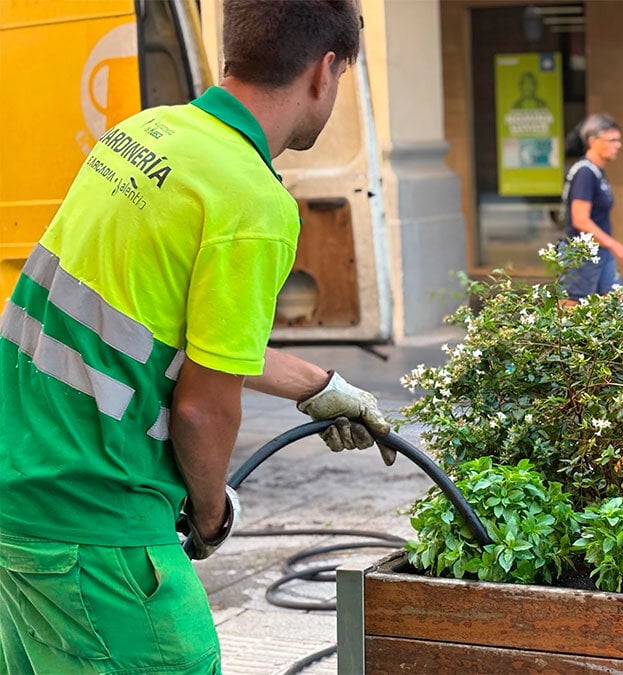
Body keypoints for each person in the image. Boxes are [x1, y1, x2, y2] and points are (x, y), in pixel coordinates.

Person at [0, 2, 393, 672]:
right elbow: (202, 409)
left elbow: (157, 333)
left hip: (21, 493)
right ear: (324, 71)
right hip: (97, 522)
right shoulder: (250, 201)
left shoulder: (143, 135)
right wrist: (210, 515)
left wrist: (316, 385)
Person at [559, 113, 623, 303]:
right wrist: (616, 246)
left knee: (618, 306)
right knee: (574, 309)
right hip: (581, 253)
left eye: (618, 140)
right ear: (593, 141)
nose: (618, 145)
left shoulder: (597, 172)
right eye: (612, 140)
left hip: (601, 251)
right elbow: (580, 220)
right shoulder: (584, 172)